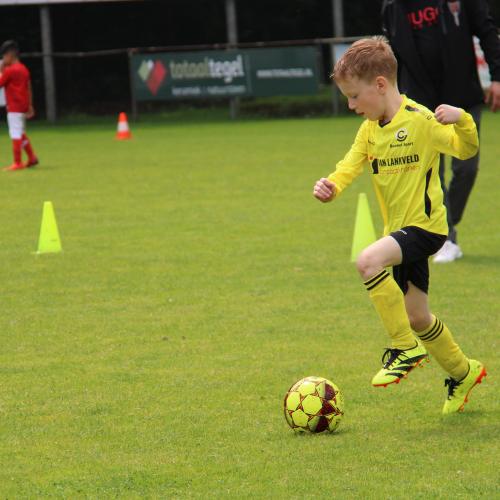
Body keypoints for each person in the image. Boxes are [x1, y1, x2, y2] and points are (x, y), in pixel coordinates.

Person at [313, 37, 486, 414]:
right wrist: (332, 186)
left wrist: (464, 120)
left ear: (379, 84)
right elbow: (349, 166)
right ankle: (463, 372)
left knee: (367, 261)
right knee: (418, 316)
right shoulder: (369, 131)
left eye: (354, 96)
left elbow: (465, 149)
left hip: (426, 228)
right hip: (400, 233)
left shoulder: (421, 121)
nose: (351, 105)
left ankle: (404, 347)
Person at [382, 0, 500, 263]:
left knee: (466, 168)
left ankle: (444, 225)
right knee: (432, 174)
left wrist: (497, 76)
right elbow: (392, 56)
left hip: (462, 97)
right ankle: (446, 238)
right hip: (419, 103)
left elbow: (487, 30)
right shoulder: (393, 5)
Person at [0, 40, 38, 171]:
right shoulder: (24, 69)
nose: (3, 60)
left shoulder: (10, 70)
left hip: (14, 107)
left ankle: (17, 162)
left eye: (4, 57)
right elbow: (28, 87)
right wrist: (30, 105)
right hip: (23, 106)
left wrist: (1, 70)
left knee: (15, 133)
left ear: (10, 55)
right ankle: (32, 157)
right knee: (20, 132)